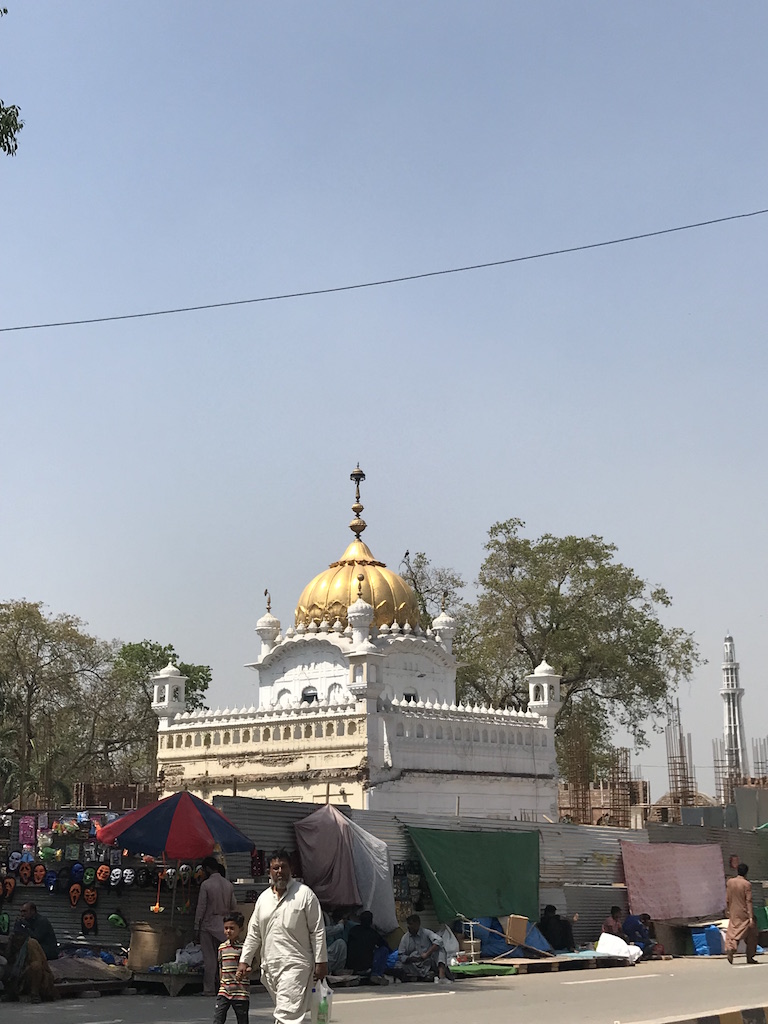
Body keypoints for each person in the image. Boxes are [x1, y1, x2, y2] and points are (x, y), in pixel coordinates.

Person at [235, 848, 327, 1024]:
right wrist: (244, 961)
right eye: (275, 868)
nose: (279, 871)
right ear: (269, 871)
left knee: (286, 1014)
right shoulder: (263, 899)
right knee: (287, 1010)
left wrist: (321, 961)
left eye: (283, 867)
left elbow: (317, 930)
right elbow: (254, 933)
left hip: (296, 965)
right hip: (270, 967)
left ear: (291, 869)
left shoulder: (305, 895)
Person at [195, 857, 238, 996]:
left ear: (207, 869)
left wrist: (196, 926)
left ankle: (209, 989)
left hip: (208, 924)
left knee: (210, 959)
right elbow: (233, 906)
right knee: (224, 958)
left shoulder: (206, 885)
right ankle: (224, 987)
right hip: (223, 925)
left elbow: (201, 907)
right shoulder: (228, 885)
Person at [2, 925, 57, 1003]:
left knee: (35, 967)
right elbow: (8, 960)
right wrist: (10, 945)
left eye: (20, 935)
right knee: (5, 969)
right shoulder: (14, 944)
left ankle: (35, 994)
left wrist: (24, 971)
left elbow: (37, 963)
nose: (18, 937)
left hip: (34, 976)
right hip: (18, 975)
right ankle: (11, 993)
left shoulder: (31, 943)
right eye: (16, 934)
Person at [214, 912, 249, 1024]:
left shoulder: (245, 948)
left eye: (232, 928)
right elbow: (221, 967)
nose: (228, 931)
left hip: (240, 992)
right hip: (224, 990)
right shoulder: (222, 948)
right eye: (226, 928)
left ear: (241, 929)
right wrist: (221, 984)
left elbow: (252, 966)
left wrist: (245, 972)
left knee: (242, 1020)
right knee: (218, 1019)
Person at [395, 914, 450, 983]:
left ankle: (442, 976)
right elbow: (401, 955)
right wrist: (411, 959)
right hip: (414, 964)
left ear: (418, 924)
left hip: (427, 961)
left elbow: (439, 941)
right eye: (408, 924)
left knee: (440, 949)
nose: (409, 926)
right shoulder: (405, 938)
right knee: (399, 965)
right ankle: (419, 977)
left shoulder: (426, 932)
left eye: (411, 924)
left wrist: (427, 954)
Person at [725, 863, 758, 965]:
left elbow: (727, 898)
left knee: (733, 930)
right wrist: (751, 917)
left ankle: (730, 947)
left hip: (733, 911)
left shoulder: (730, 882)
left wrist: (727, 910)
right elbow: (749, 901)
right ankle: (749, 956)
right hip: (744, 912)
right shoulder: (746, 884)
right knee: (751, 933)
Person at [346, 910, 389, 983]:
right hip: (366, 966)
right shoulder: (373, 933)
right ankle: (377, 974)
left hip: (351, 965)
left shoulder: (353, 930)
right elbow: (385, 945)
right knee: (384, 950)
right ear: (371, 921)